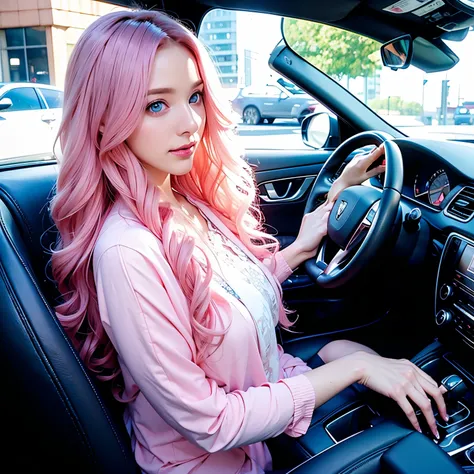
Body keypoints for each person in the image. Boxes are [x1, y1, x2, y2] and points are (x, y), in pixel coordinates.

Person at [50, 9, 448, 474]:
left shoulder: (181, 201)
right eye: (156, 105)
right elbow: (213, 422)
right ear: (103, 120)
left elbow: (228, 293)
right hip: (213, 461)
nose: (190, 124)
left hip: (257, 406)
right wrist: (355, 372)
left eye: (195, 97)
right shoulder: (127, 252)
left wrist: (308, 238)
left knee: (372, 359)